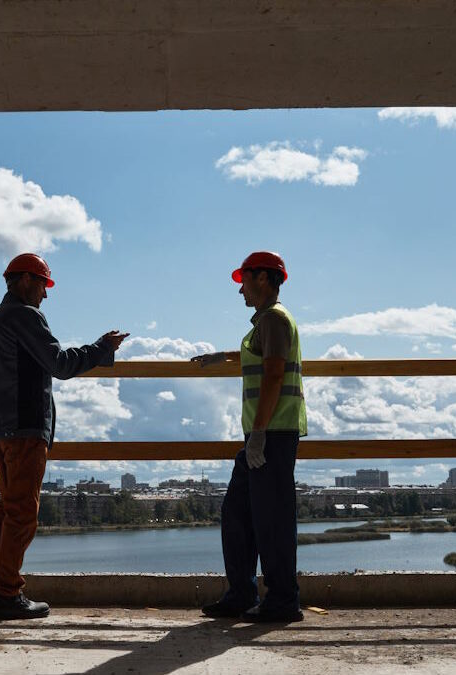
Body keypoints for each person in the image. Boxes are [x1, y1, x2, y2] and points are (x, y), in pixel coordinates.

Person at [0, 253, 128, 620]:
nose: (46, 294)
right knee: (23, 513)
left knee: (7, 510)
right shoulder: (25, 316)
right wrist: (101, 350)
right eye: (44, 284)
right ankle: (8, 594)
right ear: (26, 280)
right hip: (24, 429)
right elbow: (59, 363)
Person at [192, 251, 307, 623]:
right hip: (261, 436)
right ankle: (241, 593)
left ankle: (283, 601)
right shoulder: (265, 323)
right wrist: (222, 357)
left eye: (243, 279)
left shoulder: (274, 318)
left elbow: (274, 374)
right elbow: (260, 357)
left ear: (262, 278)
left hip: (271, 434)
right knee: (238, 514)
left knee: (271, 518)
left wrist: (258, 435)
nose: (239, 288)